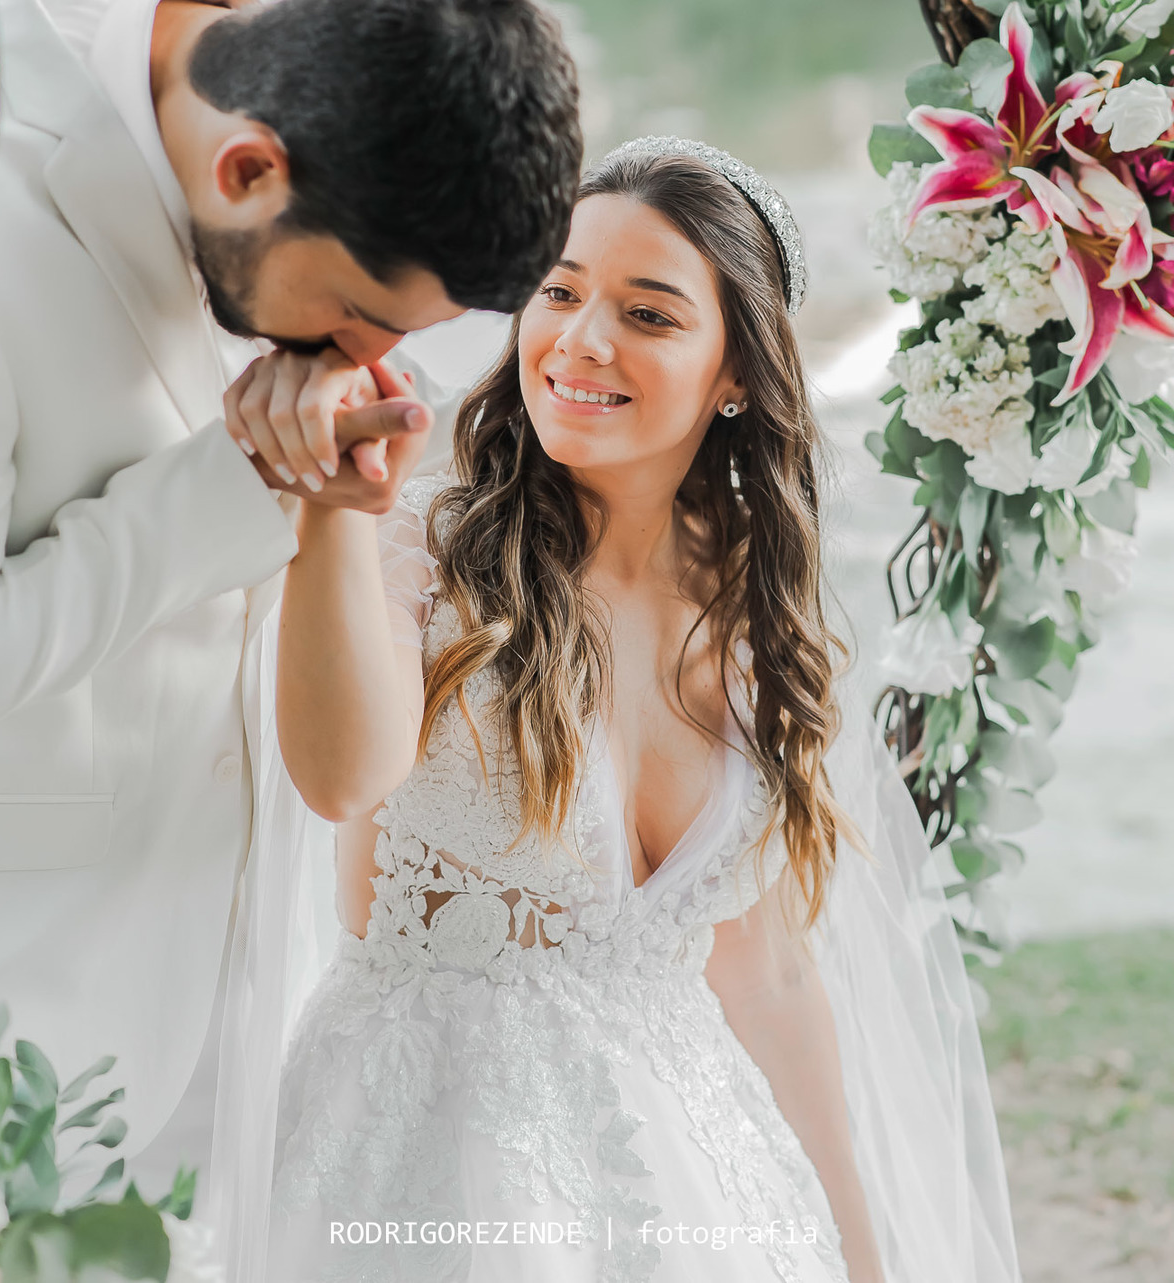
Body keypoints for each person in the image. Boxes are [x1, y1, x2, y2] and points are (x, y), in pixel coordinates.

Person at [224, 137, 1022, 1282]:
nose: (580, 341)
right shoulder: (423, 535)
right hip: (429, 1173)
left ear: (738, 371)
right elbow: (342, 778)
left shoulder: (759, 609)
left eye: (648, 314)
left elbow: (771, 976)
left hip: (699, 1182)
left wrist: (863, 1260)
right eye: (559, 291)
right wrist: (334, 520)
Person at [0, 0, 581, 1248]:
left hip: (266, 971)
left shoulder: (321, 47)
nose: (371, 361)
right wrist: (239, 483)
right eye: (366, 320)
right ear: (248, 168)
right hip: (26, 988)